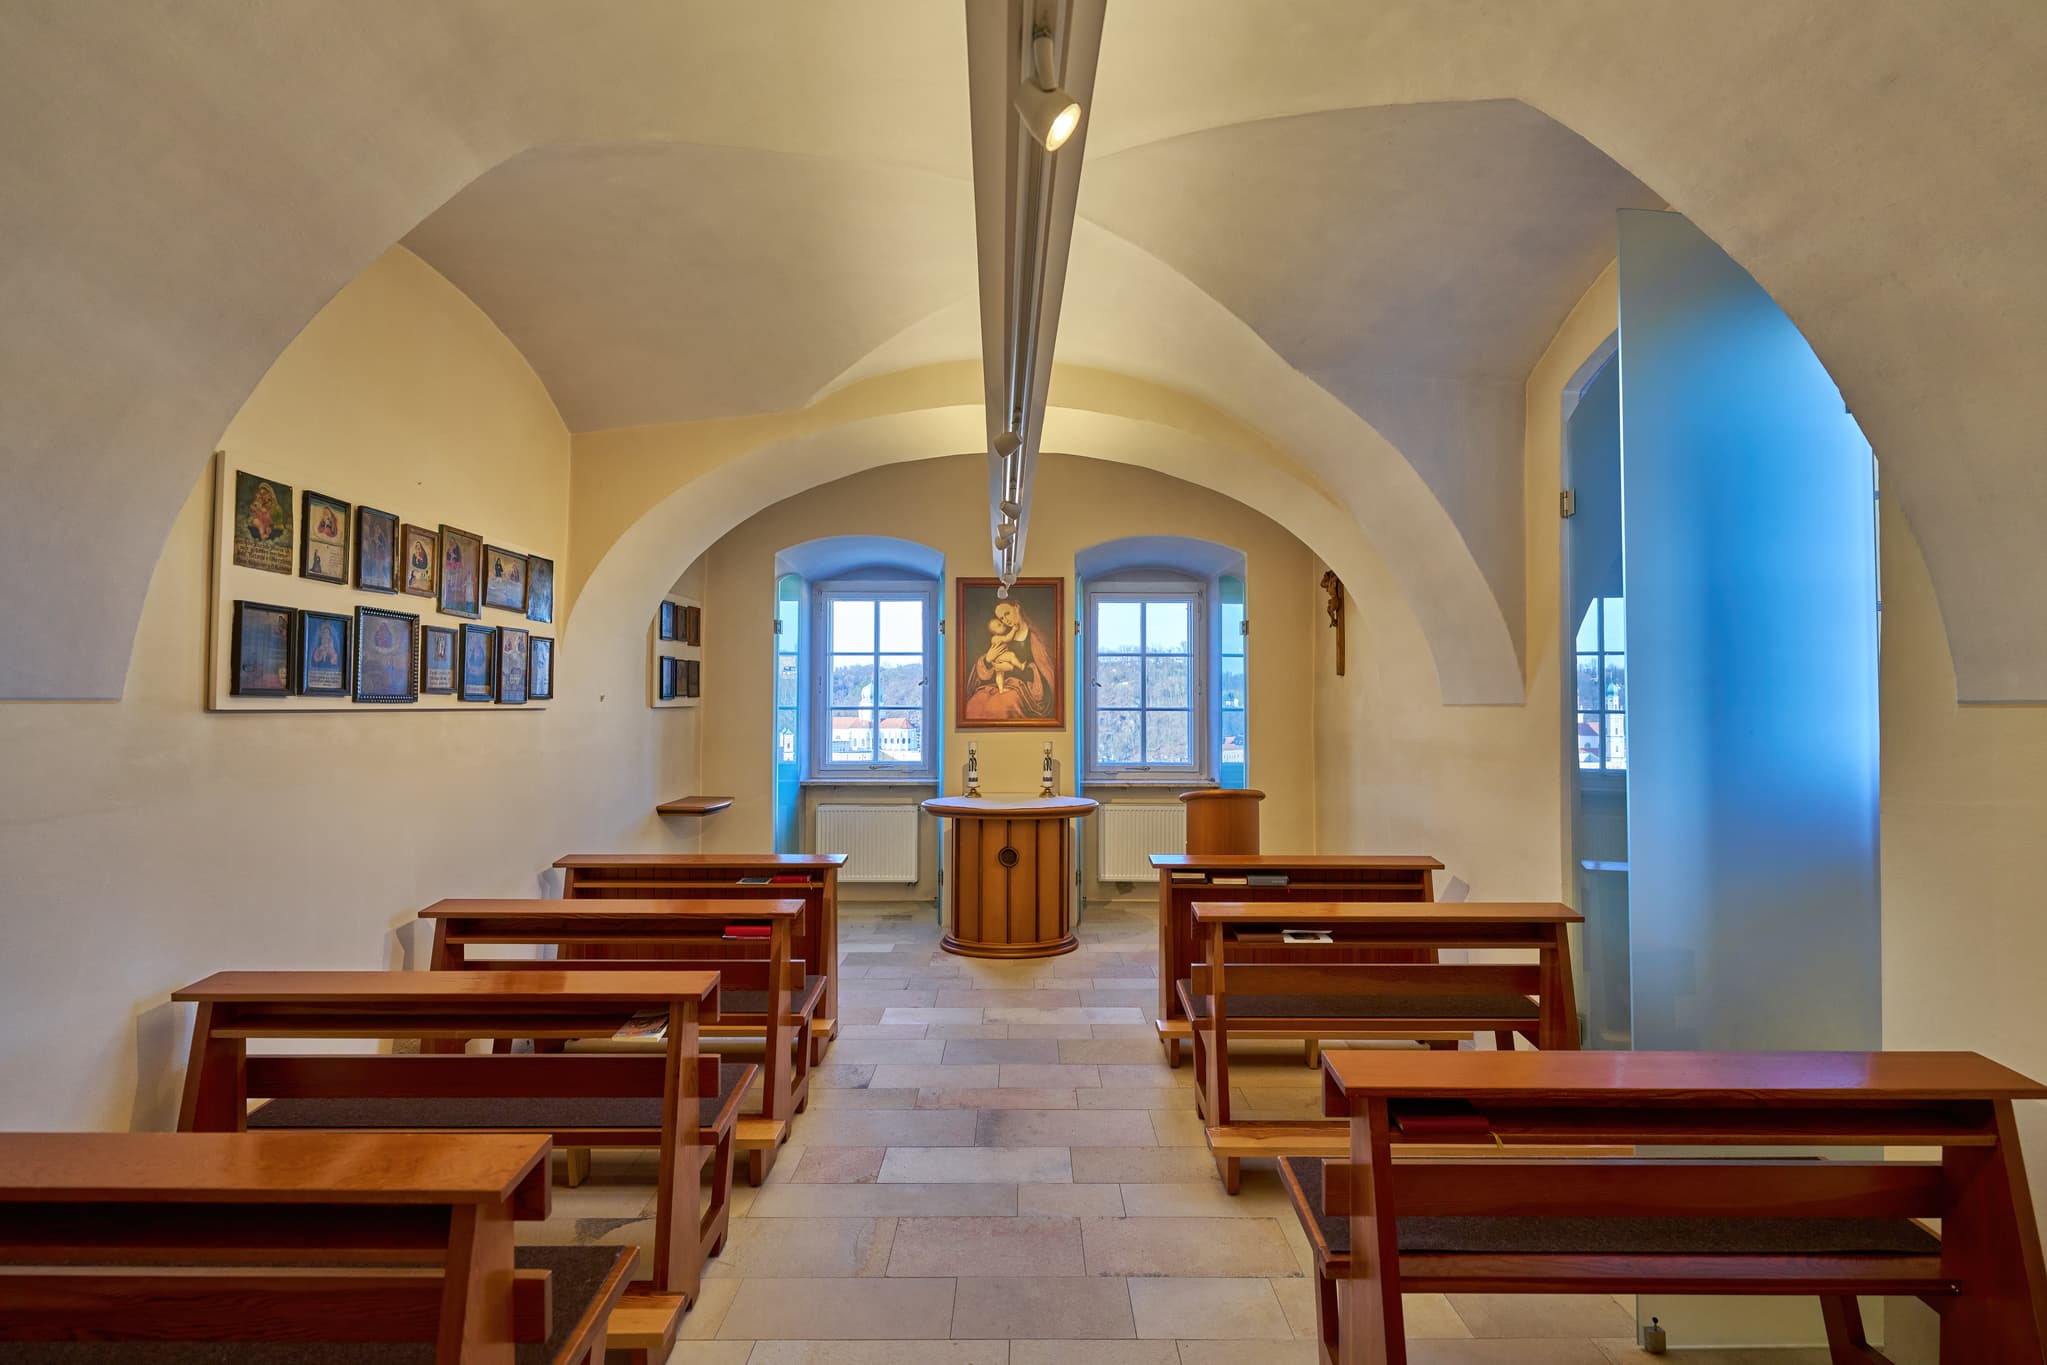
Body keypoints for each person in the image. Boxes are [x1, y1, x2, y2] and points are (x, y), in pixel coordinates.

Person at [964, 598, 1055, 722]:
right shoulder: (1004, 635)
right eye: (1001, 618)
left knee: (1001, 706)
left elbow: (1045, 675)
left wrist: (1011, 669)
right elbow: (989, 669)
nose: (1005, 620)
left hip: (1024, 689)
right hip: (1001, 684)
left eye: (1007, 613)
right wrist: (988, 659)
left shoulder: (1034, 637)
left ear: (1016, 607)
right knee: (976, 702)